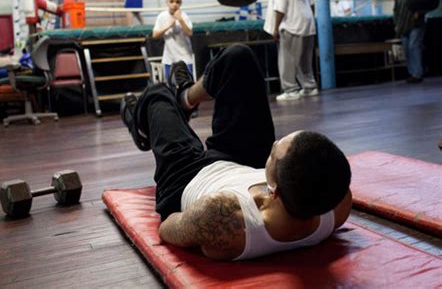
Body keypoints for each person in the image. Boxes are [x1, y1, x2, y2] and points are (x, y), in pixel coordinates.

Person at [120, 44, 352, 261]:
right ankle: (186, 97)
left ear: (273, 191)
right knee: (238, 56)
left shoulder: (226, 219)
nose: (273, 145)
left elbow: (167, 228)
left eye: (274, 154)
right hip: (247, 162)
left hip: (187, 177)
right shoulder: (338, 204)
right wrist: (268, 163)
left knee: (156, 95)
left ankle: (140, 127)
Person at [264, 0, 319, 101]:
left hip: (292, 25)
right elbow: (312, 4)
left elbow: (280, 7)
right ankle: (309, 87)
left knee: (287, 58)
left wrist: (275, 29)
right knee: (305, 59)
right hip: (308, 23)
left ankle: (291, 90)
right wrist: (310, 20)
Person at [152, 0, 194, 81]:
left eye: (177, 2)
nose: (174, 4)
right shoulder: (162, 16)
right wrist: (168, 26)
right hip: (169, 59)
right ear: (166, 2)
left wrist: (181, 20)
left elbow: (190, 33)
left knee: (187, 85)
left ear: (181, 3)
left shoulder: (184, 16)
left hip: (185, 58)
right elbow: (155, 35)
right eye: (171, 1)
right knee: (170, 86)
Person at [393, 0, 425, 83]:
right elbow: (396, 11)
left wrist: (420, 12)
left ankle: (417, 74)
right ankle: (412, 73)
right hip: (403, 26)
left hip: (416, 24)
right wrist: (396, 24)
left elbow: (425, 5)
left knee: (413, 47)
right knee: (407, 49)